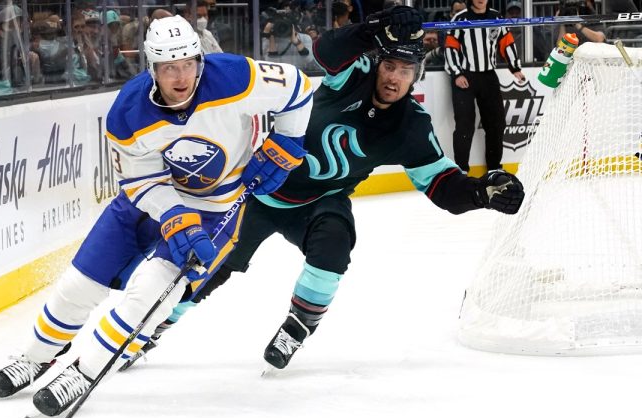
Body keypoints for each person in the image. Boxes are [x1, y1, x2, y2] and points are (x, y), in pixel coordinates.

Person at [122, 5, 526, 372]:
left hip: (320, 201)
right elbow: (325, 50)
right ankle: (150, 329)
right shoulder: (355, 74)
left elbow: (442, 186)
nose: (394, 78)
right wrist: (373, 28)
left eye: (405, 71)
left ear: (417, 74)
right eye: (389, 66)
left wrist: (480, 193)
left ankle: (298, 325)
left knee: (336, 242)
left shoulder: (413, 126)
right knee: (210, 267)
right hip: (260, 191)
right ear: (378, 63)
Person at [0, 15, 313, 416]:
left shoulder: (233, 77)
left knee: (149, 294)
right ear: (152, 68)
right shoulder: (128, 111)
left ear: (199, 60)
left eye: (188, 64)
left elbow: (297, 87)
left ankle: (85, 371)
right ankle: (37, 357)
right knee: (78, 285)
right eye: (169, 68)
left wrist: (287, 140)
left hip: (215, 209)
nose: (181, 77)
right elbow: (141, 181)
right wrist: (174, 214)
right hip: (145, 202)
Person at [444, 0, 525, 174]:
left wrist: (515, 68)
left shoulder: (496, 17)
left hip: (488, 76)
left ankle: (494, 168)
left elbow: (507, 42)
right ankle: (462, 170)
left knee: (496, 123)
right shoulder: (460, 18)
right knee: (465, 125)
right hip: (465, 75)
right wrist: (457, 73)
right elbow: (451, 47)